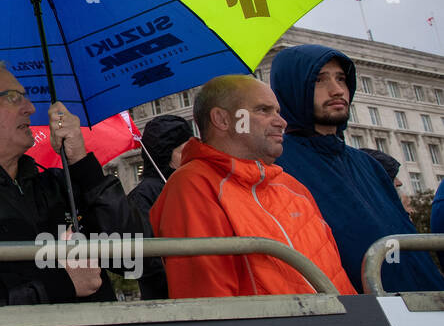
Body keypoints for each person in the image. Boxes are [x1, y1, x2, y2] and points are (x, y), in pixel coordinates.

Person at [0, 56, 139, 307]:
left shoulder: (57, 185)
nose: (30, 107)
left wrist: (81, 163)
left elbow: (131, 258)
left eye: (25, 96)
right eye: (12, 97)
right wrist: (61, 283)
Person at [150, 75, 356, 297]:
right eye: (263, 110)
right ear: (222, 119)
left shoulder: (291, 186)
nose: (281, 121)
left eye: (277, 111)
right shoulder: (193, 185)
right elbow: (211, 303)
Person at [270, 44, 444, 292]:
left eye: (341, 78)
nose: (337, 90)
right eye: (319, 80)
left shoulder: (368, 165)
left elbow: (407, 245)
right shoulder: (277, 164)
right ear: (292, 88)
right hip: (354, 317)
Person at [125, 114, 194, 300]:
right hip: (169, 296)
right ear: (166, 154)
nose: (192, 157)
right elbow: (148, 260)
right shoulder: (144, 196)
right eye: (184, 151)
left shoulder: (189, 185)